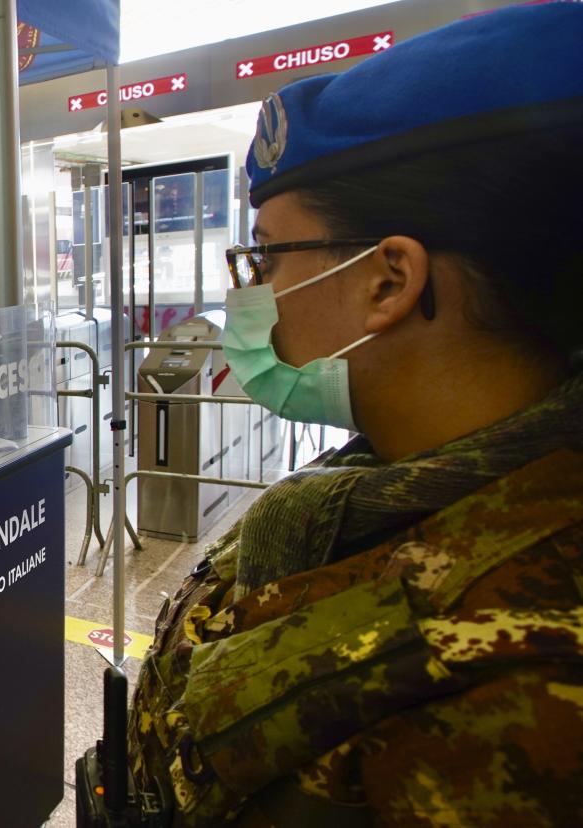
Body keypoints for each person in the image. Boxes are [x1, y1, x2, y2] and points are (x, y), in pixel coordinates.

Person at [127, 6, 583, 826]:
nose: (251, 292)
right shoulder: (386, 479)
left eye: (267, 256)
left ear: (389, 279)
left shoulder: (518, 685)